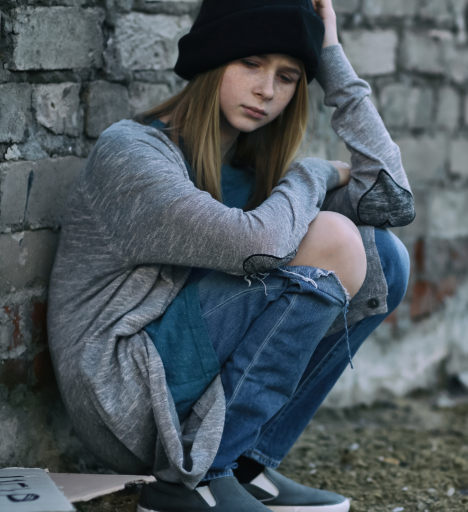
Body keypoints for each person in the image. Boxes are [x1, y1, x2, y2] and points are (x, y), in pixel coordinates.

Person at [46, 0, 415, 511]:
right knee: (332, 236)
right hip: (127, 396)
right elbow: (255, 246)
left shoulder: (250, 167)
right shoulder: (132, 154)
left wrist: (329, 58)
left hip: (182, 368)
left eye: (287, 77)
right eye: (251, 64)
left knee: (384, 259)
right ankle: (195, 477)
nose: (267, 90)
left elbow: (392, 197)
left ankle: (246, 463)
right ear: (214, 60)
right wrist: (312, 174)